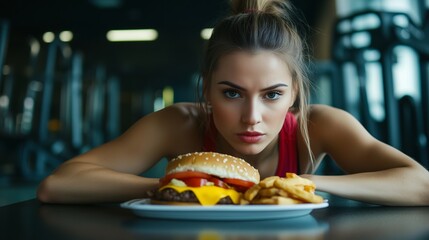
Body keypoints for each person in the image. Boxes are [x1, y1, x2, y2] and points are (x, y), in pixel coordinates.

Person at [37, 0, 429, 206]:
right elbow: (58, 185)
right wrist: (185, 186)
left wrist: (303, 184)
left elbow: (421, 185)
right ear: (206, 90)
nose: (252, 118)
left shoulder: (319, 125)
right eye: (231, 93)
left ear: (294, 93)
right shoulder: (180, 123)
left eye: (273, 95)